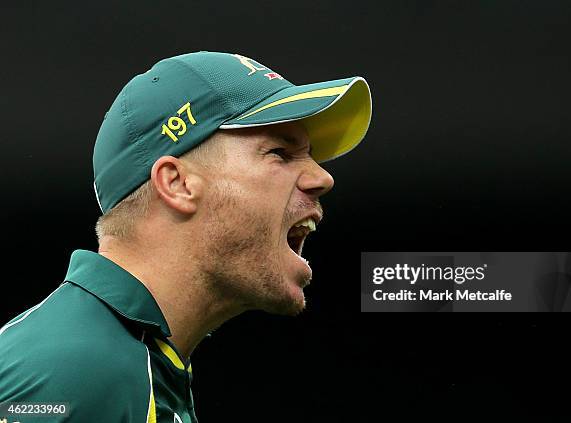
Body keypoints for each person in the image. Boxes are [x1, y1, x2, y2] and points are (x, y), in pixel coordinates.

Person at [0, 51, 371, 422]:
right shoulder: (79, 373)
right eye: (280, 152)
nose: (322, 178)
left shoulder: (130, 362)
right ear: (176, 184)